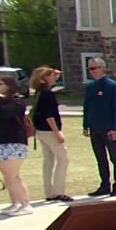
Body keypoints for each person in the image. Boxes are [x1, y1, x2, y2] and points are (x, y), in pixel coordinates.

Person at [0, 76, 33, 215]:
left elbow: (7, 113)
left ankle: (25, 205)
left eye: (0, 84)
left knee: (13, 175)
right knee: (8, 176)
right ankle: (16, 202)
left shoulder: (17, 101)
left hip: (12, 144)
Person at [82, 57, 116, 197]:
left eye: (94, 68)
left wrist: (114, 128)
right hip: (95, 128)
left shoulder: (111, 86)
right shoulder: (90, 87)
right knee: (100, 158)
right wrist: (85, 125)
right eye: (90, 69)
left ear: (102, 68)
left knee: (114, 157)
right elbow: (87, 107)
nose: (92, 71)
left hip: (108, 128)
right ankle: (104, 185)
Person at [30, 67, 71, 203]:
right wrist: (57, 132)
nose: (55, 77)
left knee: (48, 161)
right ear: (45, 78)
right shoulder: (47, 94)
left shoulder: (39, 92)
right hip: (49, 131)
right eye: (52, 75)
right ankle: (59, 191)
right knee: (63, 159)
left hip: (40, 131)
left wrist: (54, 73)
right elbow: (49, 115)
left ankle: (50, 192)